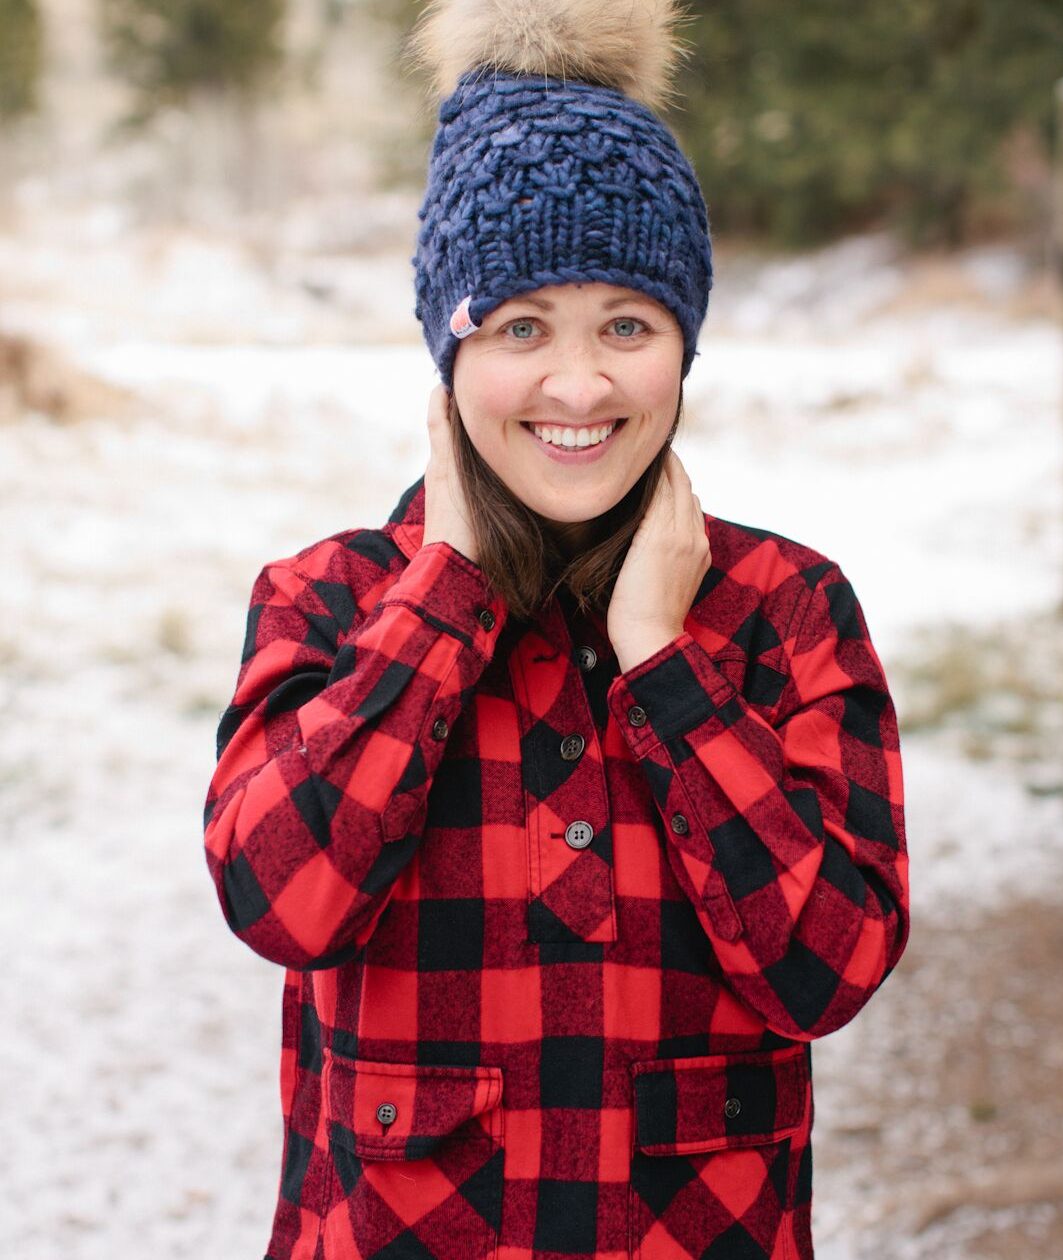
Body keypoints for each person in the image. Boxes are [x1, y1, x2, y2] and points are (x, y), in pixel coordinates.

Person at [203, 2, 910, 1257]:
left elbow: (832, 969)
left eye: (625, 328)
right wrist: (446, 592)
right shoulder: (329, 600)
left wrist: (665, 668)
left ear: (682, 349)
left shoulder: (787, 612)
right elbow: (280, 902)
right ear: (448, 353)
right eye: (519, 327)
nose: (578, 388)